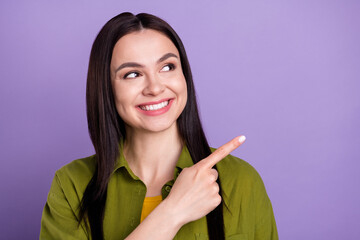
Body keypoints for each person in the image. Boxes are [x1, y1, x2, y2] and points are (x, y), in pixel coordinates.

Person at [40, 12, 278, 240]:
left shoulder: (242, 180)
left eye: (167, 67)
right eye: (132, 74)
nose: (154, 87)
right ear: (106, 89)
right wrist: (172, 213)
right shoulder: (72, 185)